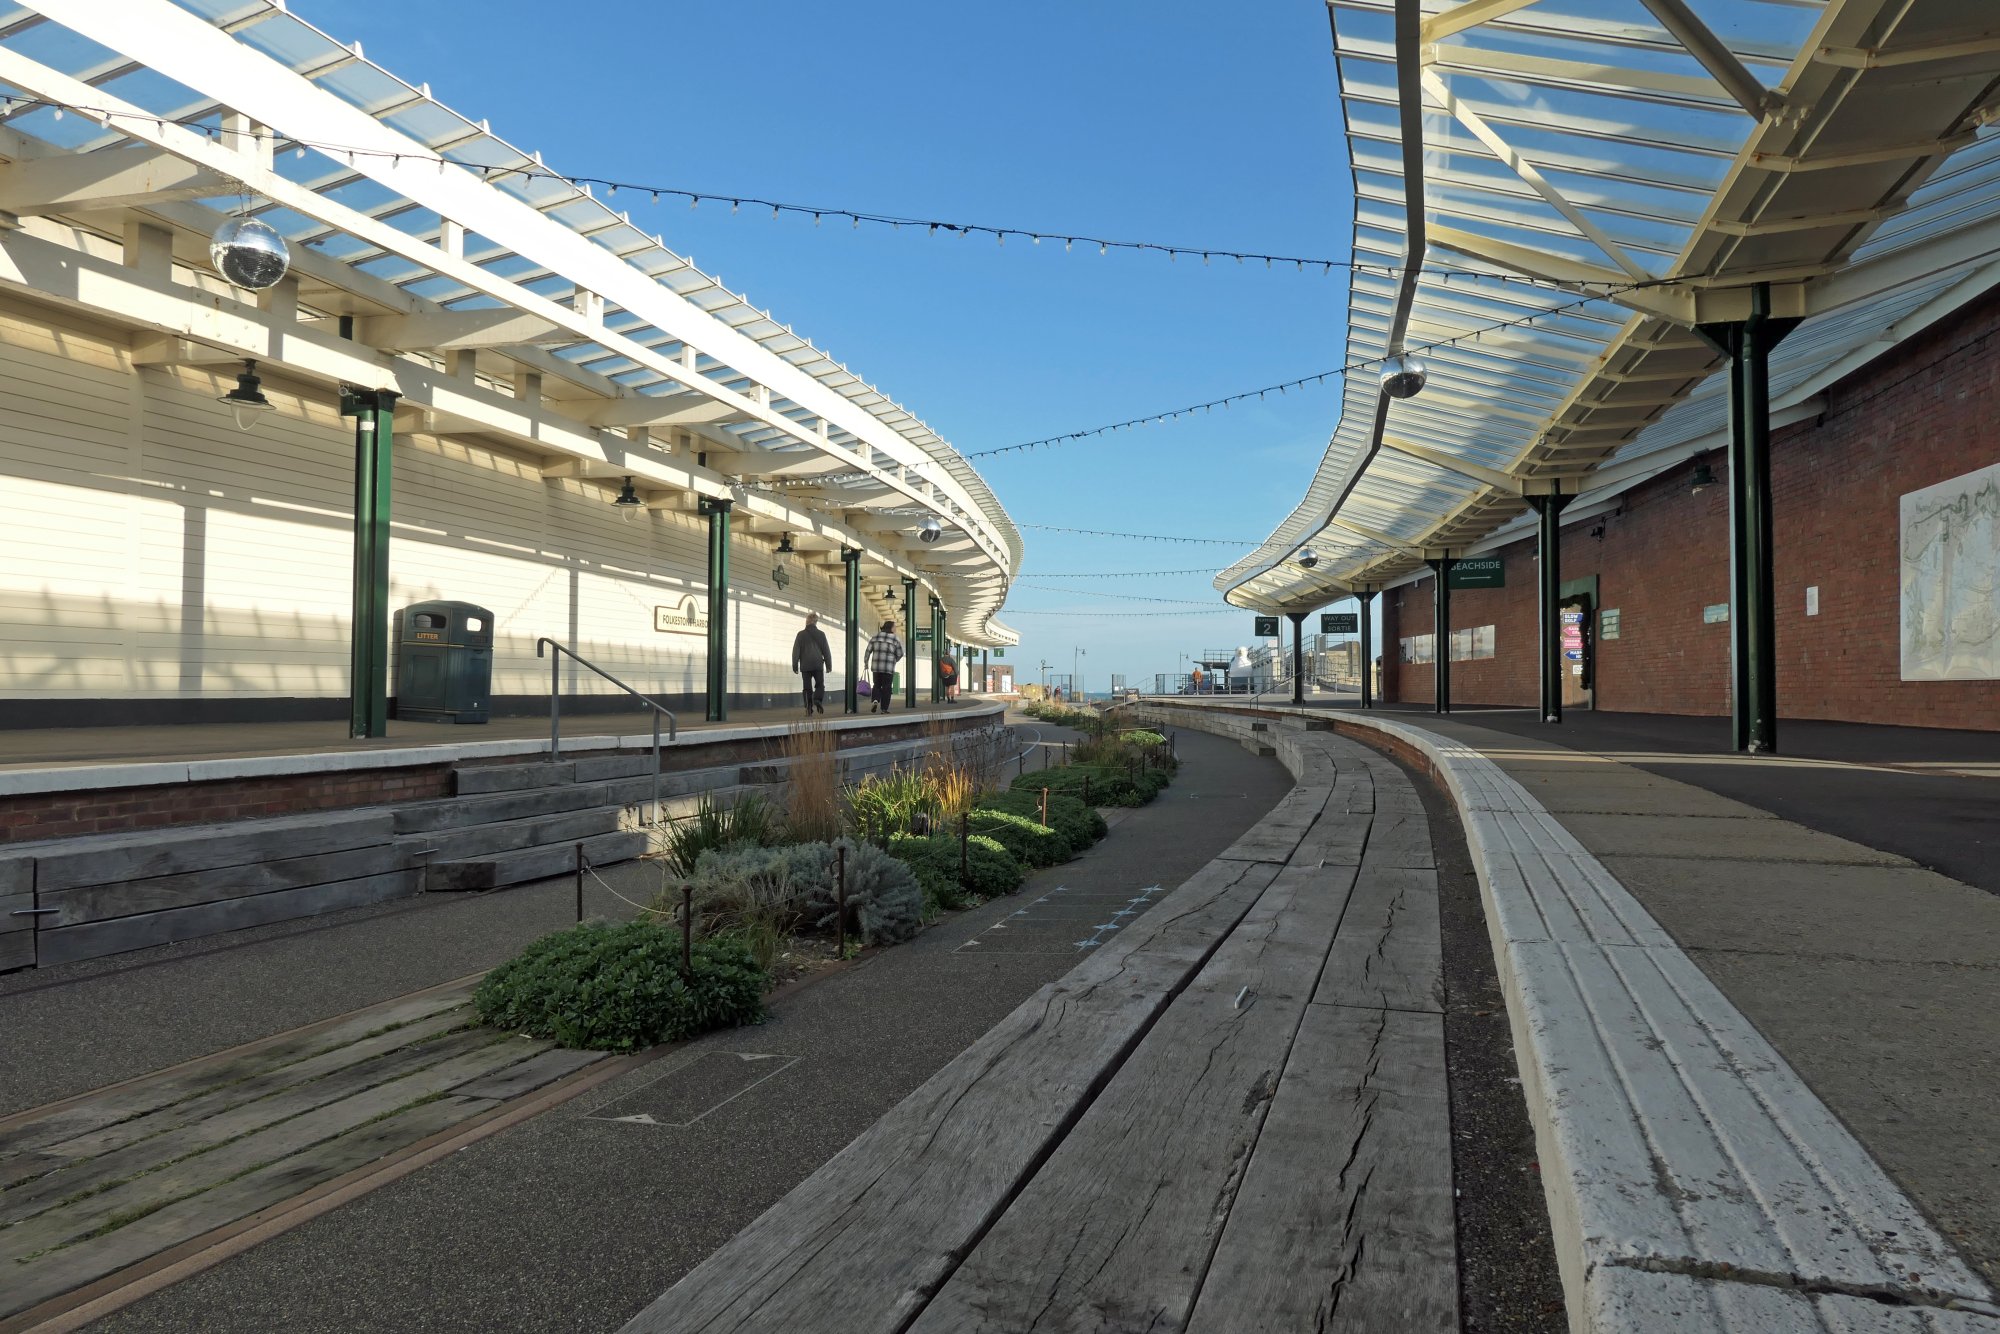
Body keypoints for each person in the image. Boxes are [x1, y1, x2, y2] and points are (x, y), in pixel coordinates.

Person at [791, 611, 832, 716]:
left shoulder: (800, 635)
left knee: (807, 688)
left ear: (807, 621)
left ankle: (808, 707)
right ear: (816, 622)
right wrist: (828, 665)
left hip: (805, 666)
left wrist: (795, 665)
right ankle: (817, 700)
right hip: (818, 664)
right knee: (820, 685)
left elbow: (795, 651)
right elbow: (826, 651)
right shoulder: (821, 634)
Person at [865, 618, 903, 713]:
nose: (895, 629)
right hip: (888, 668)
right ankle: (884, 709)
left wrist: (866, 663)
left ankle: (875, 700)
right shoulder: (895, 639)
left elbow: (868, 651)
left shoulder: (875, 637)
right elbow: (900, 653)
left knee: (877, 685)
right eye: (894, 627)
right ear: (891, 628)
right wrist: (894, 660)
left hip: (876, 667)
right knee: (887, 687)